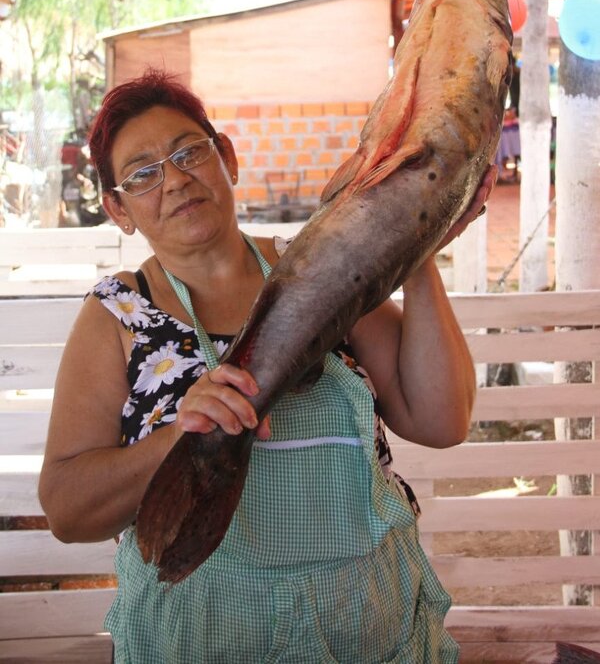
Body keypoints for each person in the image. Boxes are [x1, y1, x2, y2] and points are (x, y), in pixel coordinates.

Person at [39, 68, 495, 664]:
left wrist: (416, 250)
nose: (175, 180)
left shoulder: (323, 267)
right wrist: (181, 432)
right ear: (117, 209)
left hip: (365, 623)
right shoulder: (119, 315)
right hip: (202, 634)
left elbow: (441, 421)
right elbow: (67, 510)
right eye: (143, 174)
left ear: (226, 157)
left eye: (188, 152)